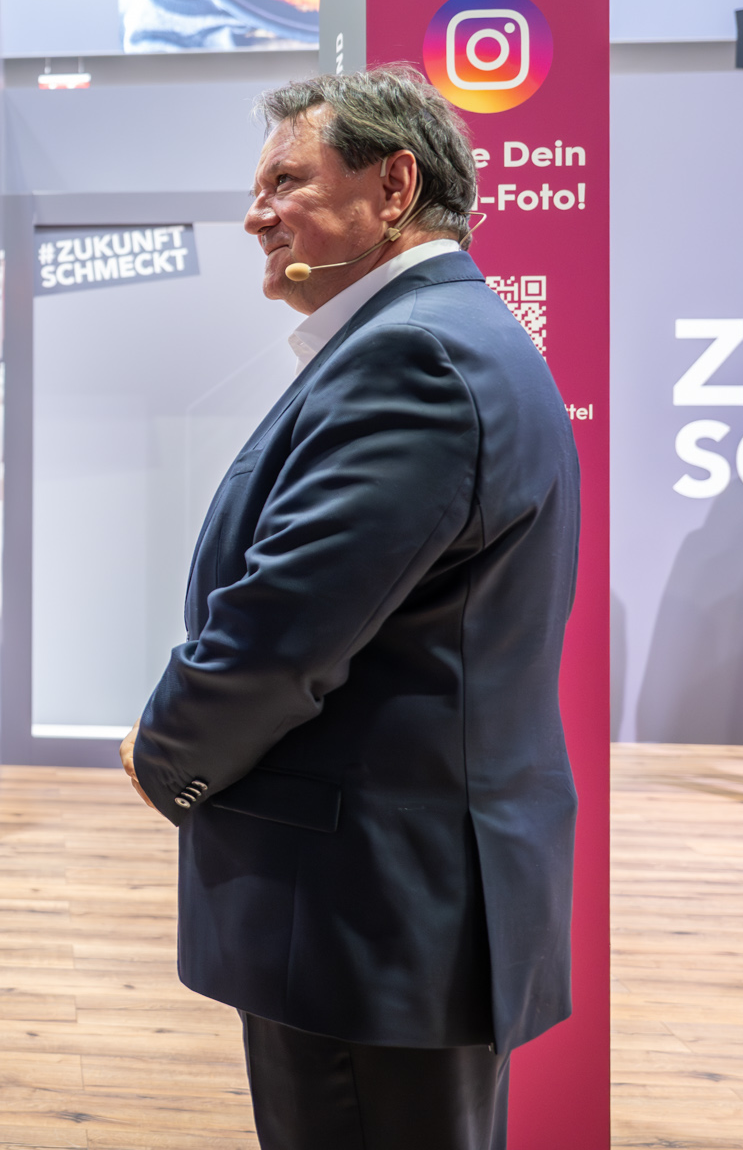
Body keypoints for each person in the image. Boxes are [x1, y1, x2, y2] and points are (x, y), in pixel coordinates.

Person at [120, 66, 581, 1150]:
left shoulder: (415, 356)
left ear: (394, 187)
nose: (256, 214)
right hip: (395, 893)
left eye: (287, 181)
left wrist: (164, 753)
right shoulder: (438, 334)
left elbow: (285, 628)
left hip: (369, 905)